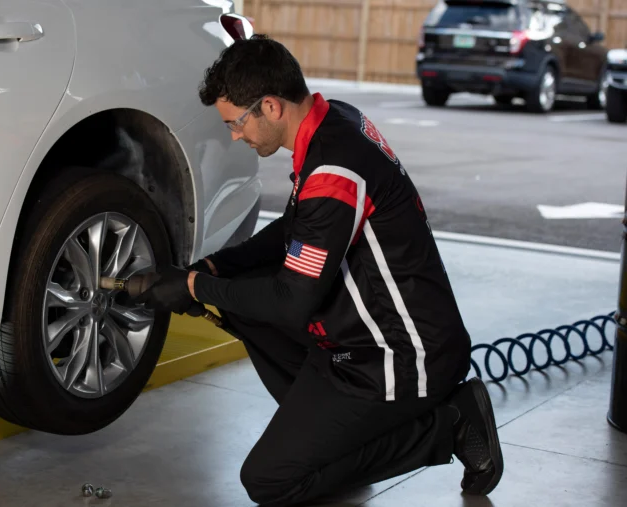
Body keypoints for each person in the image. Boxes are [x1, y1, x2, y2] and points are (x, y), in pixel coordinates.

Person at [136, 34, 503, 506]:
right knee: (238, 292)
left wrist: (193, 285)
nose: (234, 136)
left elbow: (292, 303)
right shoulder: (333, 122)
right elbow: (293, 226)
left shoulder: (334, 169)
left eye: (236, 123)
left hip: (402, 356)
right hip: (364, 338)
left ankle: (449, 424)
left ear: (270, 106)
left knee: (270, 480)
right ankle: (330, 441)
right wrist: (211, 268)